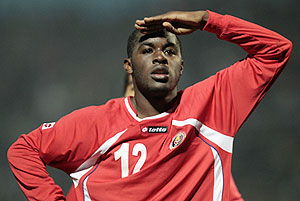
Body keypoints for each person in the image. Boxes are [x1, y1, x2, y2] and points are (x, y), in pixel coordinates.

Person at [7, 10, 292, 201]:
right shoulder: (96, 124)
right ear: (128, 66)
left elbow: (276, 50)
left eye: (170, 51)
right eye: (147, 50)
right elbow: (23, 149)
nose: (160, 57)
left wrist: (207, 20)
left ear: (181, 67)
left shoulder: (212, 104)